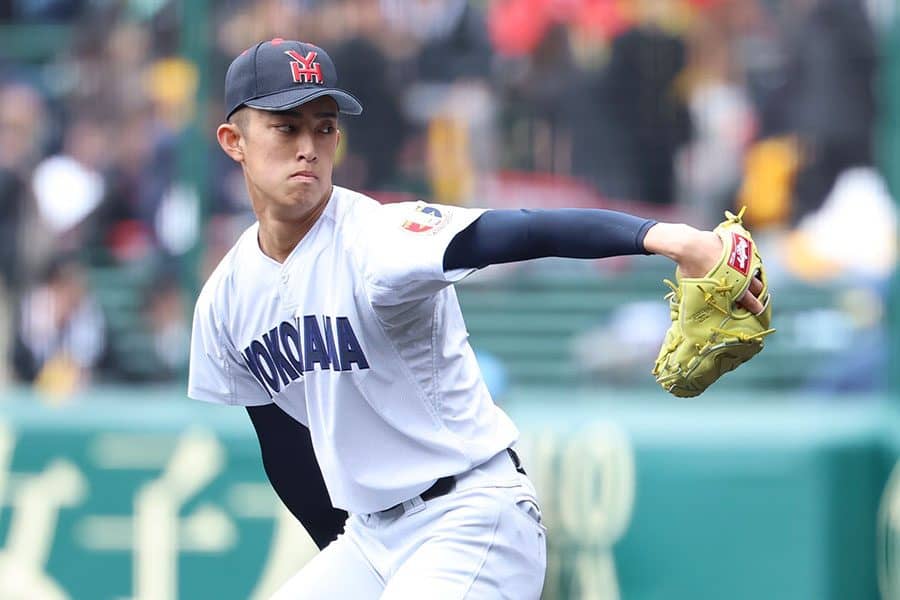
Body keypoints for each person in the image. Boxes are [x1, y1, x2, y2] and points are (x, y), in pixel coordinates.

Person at [188, 38, 765, 599]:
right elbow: (285, 451)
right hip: (371, 539)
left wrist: (668, 238)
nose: (309, 146)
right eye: (286, 127)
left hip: (468, 517)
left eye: (324, 126)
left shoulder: (376, 239)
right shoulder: (226, 297)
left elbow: (518, 230)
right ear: (233, 141)